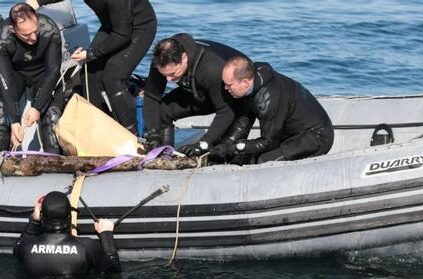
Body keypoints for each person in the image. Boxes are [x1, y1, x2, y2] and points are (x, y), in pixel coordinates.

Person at [30, 0, 157, 135]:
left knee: (113, 76)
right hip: (112, 27)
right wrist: (37, 2)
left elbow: (122, 35)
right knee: (89, 74)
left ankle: (132, 133)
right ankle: (99, 126)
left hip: (139, 27)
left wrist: (91, 53)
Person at [211, 56, 334, 163]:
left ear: (245, 82)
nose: (226, 88)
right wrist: (228, 143)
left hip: (316, 136)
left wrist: (235, 147)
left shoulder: (267, 99)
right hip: (288, 134)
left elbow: (268, 142)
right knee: (242, 156)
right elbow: (244, 120)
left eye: (229, 84)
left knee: (263, 160)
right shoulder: (251, 84)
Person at [143, 33, 248, 155]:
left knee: (222, 150)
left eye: (172, 74)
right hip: (198, 91)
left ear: (184, 58)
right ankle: (164, 153)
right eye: (164, 75)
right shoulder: (161, 61)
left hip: (234, 97)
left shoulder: (211, 69)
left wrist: (203, 143)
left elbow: (226, 111)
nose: (168, 80)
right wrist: (153, 133)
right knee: (161, 111)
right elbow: (151, 97)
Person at [0, 3, 63, 152]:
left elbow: (53, 71)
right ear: (12, 29)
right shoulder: (3, 38)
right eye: (26, 35)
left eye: (35, 31)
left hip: (42, 73)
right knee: (2, 118)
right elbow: (4, 79)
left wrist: (37, 107)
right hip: (15, 75)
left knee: (50, 117)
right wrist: (14, 120)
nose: (33, 37)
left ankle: (53, 163)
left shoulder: (49, 29)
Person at [13, 191, 121, 278]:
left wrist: (34, 220)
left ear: (42, 217)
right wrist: (106, 234)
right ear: (70, 217)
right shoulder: (87, 246)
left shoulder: (26, 246)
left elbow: (17, 247)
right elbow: (113, 270)